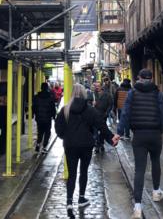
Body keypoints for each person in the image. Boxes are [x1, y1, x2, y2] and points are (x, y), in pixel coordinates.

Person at [55, 84, 120, 217]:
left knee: (72, 174)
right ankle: (81, 198)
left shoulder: (65, 110)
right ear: (85, 94)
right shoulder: (90, 110)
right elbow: (101, 125)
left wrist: (65, 137)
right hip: (86, 145)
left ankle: (68, 202)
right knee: (83, 171)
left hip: (70, 145)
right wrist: (111, 138)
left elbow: (58, 127)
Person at [116, 69, 163, 219]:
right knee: (156, 162)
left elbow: (125, 113)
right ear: (151, 79)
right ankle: (156, 192)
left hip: (138, 135)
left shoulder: (132, 93)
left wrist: (119, 133)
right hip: (154, 134)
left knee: (139, 169)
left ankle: (138, 207)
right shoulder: (157, 93)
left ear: (139, 78)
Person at [33, 82, 56, 153]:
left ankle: (38, 144)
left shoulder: (36, 97)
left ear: (41, 87)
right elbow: (53, 108)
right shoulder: (50, 97)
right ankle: (44, 147)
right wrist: (54, 116)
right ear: (47, 88)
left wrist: (34, 114)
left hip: (39, 118)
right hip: (47, 118)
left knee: (40, 132)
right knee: (47, 132)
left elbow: (34, 107)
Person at [93, 82, 113, 153]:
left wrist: (106, 113)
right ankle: (97, 145)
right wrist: (92, 104)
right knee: (95, 131)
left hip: (103, 116)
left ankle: (101, 144)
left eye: (98, 86)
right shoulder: (93, 94)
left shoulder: (107, 94)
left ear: (101, 86)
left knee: (102, 131)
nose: (97, 87)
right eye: (96, 86)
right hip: (94, 116)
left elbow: (110, 104)